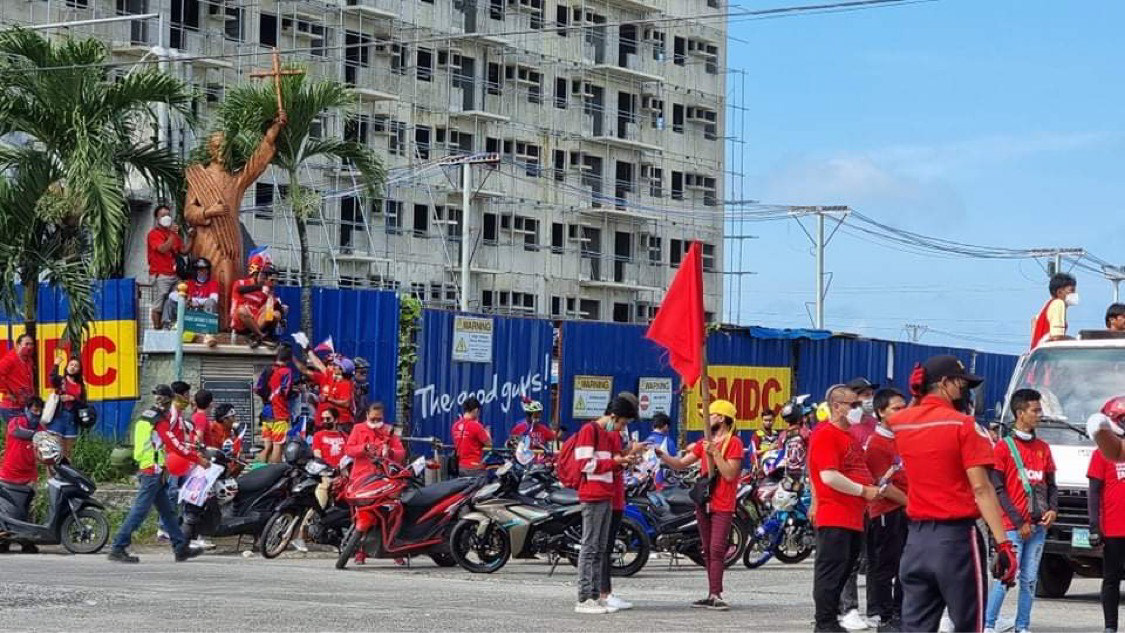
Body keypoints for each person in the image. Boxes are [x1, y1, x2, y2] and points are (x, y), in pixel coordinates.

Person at [889, 355, 1017, 633]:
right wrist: (1003, 543)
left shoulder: (902, 424)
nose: (964, 392)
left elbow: (898, 420)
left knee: (915, 627)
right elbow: (981, 488)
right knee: (969, 625)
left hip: (915, 543)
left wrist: (917, 397)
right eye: (962, 385)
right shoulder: (964, 426)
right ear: (945, 383)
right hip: (955, 540)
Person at [656, 399, 745, 611]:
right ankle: (711, 593)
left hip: (723, 503)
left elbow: (730, 474)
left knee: (716, 548)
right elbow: (681, 463)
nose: (706, 419)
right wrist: (663, 456)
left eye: (711, 415)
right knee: (706, 549)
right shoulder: (704, 442)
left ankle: (716, 593)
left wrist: (715, 453)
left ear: (722, 418)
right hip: (704, 501)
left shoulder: (733, 443)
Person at [808, 385, 881, 632]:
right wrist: (863, 491)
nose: (859, 409)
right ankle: (825, 623)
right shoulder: (826, 434)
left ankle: (832, 620)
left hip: (854, 516)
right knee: (830, 572)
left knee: (843, 571)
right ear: (837, 406)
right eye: (854, 404)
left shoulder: (849, 436)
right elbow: (828, 476)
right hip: (835, 515)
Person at [108, 385, 208, 564]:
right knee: (139, 511)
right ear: (168, 402)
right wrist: (198, 459)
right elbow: (174, 444)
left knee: (167, 512)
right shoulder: (159, 422)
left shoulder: (145, 417)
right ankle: (118, 547)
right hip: (152, 472)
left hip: (152, 469)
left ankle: (180, 548)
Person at [985, 389, 1057, 633]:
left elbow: (1051, 485)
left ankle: (1022, 626)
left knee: (1029, 580)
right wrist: (1018, 521)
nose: (1040, 415)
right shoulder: (1003, 448)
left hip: (1039, 527)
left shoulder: (1044, 448)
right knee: (1006, 577)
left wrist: (1053, 511)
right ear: (1020, 413)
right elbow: (998, 489)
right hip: (1012, 527)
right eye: (1035, 410)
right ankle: (988, 624)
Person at [573, 394, 640, 615]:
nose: (621, 428)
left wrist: (622, 461)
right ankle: (584, 597)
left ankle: (595, 596)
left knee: (600, 548)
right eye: (622, 423)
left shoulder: (604, 433)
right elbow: (584, 464)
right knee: (590, 546)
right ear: (613, 416)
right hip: (592, 495)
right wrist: (615, 461)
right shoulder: (589, 431)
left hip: (606, 494)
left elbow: (608, 463)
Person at [864, 388, 910, 632]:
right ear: (881, 412)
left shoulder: (901, 439)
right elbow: (882, 485)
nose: (902, 413)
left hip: (906, 511)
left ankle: (900, 612)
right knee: (886, 567)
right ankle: (884, 616)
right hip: (887, 512)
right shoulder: (877, 444)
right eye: (896, 409)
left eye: (904, 408)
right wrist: (911, 503)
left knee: (907, 566)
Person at [1086, 397, 1125, 633]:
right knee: (1111, 579)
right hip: (1113, 528)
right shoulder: (1101, 453)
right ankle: (1110, 627)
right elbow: (1093, 493)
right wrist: (1093, 527)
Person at [0, 397, 46, 551]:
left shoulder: (40, 429)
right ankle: (4, 540)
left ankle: (26, 541)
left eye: (40, 410)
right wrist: (38, 436)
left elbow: (45, 450)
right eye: (34, 409)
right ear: (27, 409)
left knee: (28, 510)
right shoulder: (16, 422)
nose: (37, 413)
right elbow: (17, 432)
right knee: (7, 510)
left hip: (29, 476)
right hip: (9, 474)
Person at [147, 204, 194, 330]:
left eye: (168, 214)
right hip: (160, 274)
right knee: (159, 302)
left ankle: (172, 325)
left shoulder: (174, 235)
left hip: (174, 275)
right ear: (157, 218)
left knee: (177, 298)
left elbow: (183, 251)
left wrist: (190, 238)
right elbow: (162, 249)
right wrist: (173, 235)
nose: (166, 217)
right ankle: (157, 328)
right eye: (163, 215)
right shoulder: (154, 234)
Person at [230, 259, 285, 348]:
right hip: (240, 322)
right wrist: (259, 287)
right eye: (263, 275)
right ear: (256, 274)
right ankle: (261, 336)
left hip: (256, 323)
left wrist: (281, 315)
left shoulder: (266, 290)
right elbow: (240, 290)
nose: (265, 278)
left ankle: (259, 336)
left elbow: (277, 307)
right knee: (242, 310)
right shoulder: (241, 283)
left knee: (276, 314)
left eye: (267, 276)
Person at [345, 402, 405, 483]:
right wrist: (364, 448)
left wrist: (390, 452)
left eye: (379, 419)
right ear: (367, 415)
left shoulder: (389, 430)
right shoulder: (358, 428)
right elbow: (348, 450)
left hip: (383, 476)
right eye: (372, 419)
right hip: (361, 476)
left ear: (383, 417)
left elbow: (401, 453)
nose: (376, 422)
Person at [162, 257, 221, 327]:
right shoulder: (189, 283)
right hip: (189, 309)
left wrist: (197, 302)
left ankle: (208, 328)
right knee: (169, 302)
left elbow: (214, 299)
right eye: (198, 270)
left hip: (203, 311)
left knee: (210, 302)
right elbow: (171, 295)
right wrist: (186, 300)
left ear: (207, 270)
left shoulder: (213, 283)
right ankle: (167, 326)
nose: (201, 272)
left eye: (203, 269)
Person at [47, 356, 86, 459]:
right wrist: (56, 364)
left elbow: (83, 404)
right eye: (71, 365)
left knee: (68, 454)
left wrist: (73, 399)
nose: (73, 367)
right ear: (67, 367)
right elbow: (52, 378)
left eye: (76, 366)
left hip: (72, 420)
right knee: (54, 452)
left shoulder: (80, 386)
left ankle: (65, 474)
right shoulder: (61, 380)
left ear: (79, 370)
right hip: (58, 417)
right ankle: (52, 475)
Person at [263, 347, 295, 464]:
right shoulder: (286, 371)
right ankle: (273, 475)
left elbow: (258, 388)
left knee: (267, 448)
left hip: (266, 411)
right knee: (278, 446)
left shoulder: (268, 369)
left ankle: (258, 471)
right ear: (289, 359)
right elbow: (285, 391)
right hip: (279, 413)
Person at [1030, 272, 1078, 349]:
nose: (1075, 294)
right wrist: (1077, 341)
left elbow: (1033, 321)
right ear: (1059, 292)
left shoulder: (1048, 305)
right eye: (1072, 291)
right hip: (1048, 355)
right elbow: (1057, 337)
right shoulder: (1059, 303)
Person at [452, 398, 491, 477]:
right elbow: (489, 444)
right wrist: (487, 432)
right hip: (474, 467)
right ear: (476, 410)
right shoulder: (476, 426)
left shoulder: (455, 426)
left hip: (460, 466)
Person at [0, 334, 35, 421]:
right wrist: (7, 392)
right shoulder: (10, 359)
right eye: (26, 344)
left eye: (31, 344)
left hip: (24, 405)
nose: (29, 347)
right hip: (11, 407)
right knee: (17, 433)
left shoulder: (28, 360)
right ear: (18, 345)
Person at [352, 357, 371, 421]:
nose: (365, 374)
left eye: (366, 372)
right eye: (362, 372)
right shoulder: (350, 386)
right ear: (354, 372)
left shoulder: (363, 386)